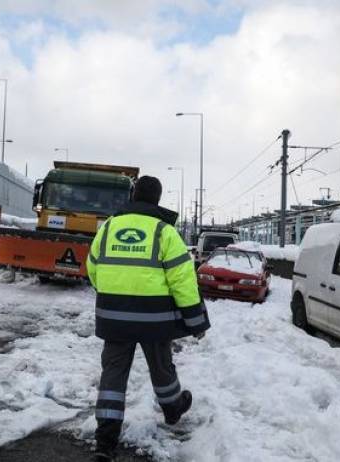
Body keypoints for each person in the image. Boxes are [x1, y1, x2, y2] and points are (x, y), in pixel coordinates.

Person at [86, 175, 211, 462]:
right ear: (157, 199)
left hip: (114, 319)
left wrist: (114, 294)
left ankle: (105, 443)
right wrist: (196, 321)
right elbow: (182, 280)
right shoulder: (164, 231)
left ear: (133, 196)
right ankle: (173, 409)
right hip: (155, 320)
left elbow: (92, 268)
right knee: (161, 368)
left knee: (113, 376)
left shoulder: (109, 227)